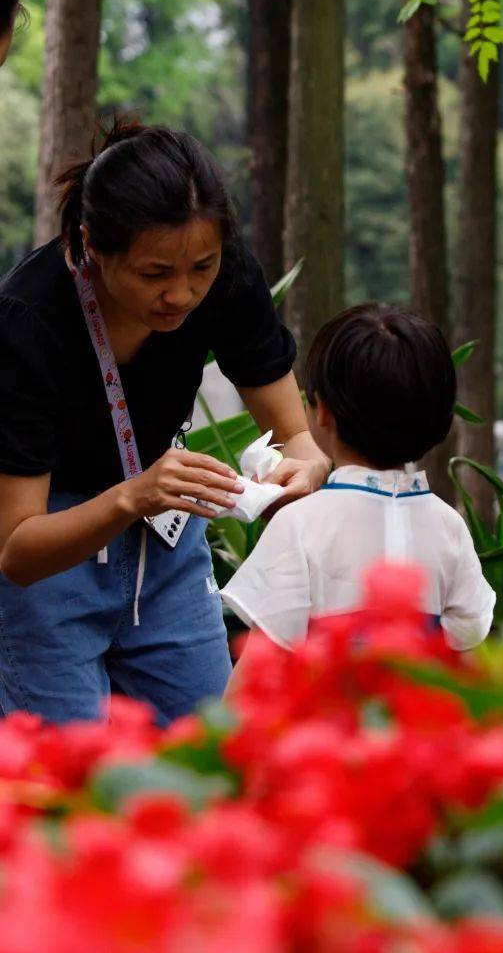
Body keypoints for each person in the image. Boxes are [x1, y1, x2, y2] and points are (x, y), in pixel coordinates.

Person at [0, 111, 331, 725]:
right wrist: (132, 496)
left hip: (167, 551)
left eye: (201, 267)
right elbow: (17, 550)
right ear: (91, 244)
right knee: (67, 774)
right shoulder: (28, 319)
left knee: (207, 751)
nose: (181, 294)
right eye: (154, 274)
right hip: (53, 560)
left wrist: (302, 471)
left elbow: (299, 439)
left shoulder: (228, 277)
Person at [222, 302, 495, 683]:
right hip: (414, 717)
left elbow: (259, 669)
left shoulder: (299, 525)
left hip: (328, 719)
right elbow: (468, 649)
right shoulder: (449, 526)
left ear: (322, 411)